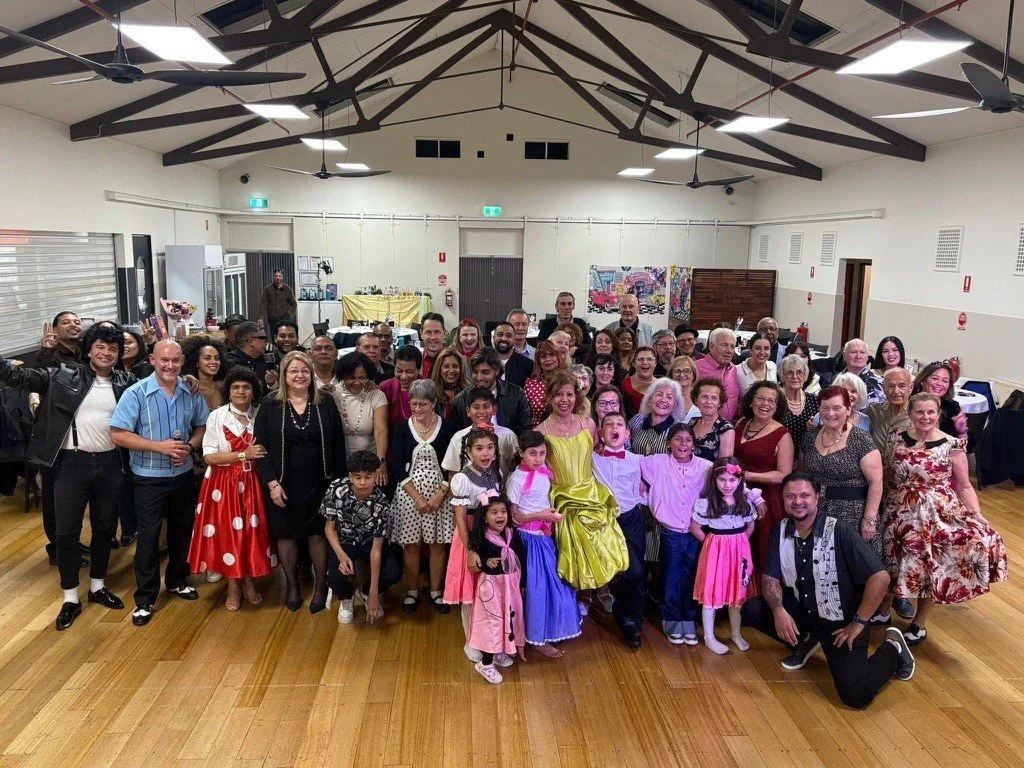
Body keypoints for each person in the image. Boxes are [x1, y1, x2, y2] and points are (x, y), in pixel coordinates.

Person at [742, 473, 916, 708]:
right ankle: (806, 639)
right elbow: (770, 577)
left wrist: (859, 622)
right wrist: (779, 610)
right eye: (790, 496)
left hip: (840, 622)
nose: (797, 501)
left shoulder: (839, 530)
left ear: (817, 498)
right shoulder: (780, 530)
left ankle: (894, 648)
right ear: (783, 500)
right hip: (805, 610)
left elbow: (880, 577)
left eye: (805, 495)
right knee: (753, 609)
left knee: (856, 696)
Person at [1, 324, 133, 630]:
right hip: (70, 464)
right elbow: (17, 376)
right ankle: (70, 597)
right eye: (100, 346)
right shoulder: (61, 375)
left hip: (111, 464)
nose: (106, 353)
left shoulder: (127, 382)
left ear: (118, 355)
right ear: (89, 350)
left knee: (104, 529)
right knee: (66, 533)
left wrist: (189, 379)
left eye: (112, 349)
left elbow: (154, 391)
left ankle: (98, 586)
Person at [885, 392, 1007, 646]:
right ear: (910, 415)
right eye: (919, 412)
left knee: (931, 567)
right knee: (893, 562)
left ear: (938, 414)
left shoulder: (952, 445)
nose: (925, 417)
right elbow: (888, 472)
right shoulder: (896, 436)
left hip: (935, 515)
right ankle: (883, 612)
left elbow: (963, 486)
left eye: (931, 412)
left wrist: (977, 515)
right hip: (898, 510)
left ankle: (919, 624)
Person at [110, 339, 210, 627]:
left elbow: (202, 425)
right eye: (164, 360)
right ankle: (145, 598)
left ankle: (178, 580)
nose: (170, 366)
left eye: (175, 361)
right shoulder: (136, 394)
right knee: (149, 539)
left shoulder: (190, 391)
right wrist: (159, 447)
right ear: (152, 360)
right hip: (148, 479)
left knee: (182, 533)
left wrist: (190, 447)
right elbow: (117, 434)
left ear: (182, 363)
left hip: (182, 476)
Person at [253, 351, 346, 614]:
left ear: (311, 374)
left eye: (304, 371)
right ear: (284, 375)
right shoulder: (271, 404)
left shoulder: (325, 402)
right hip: (282, 483)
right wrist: (271, 484)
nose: (299, 375)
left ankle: (320, 587)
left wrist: (338, 486)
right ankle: (292, 586)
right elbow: (261, 448)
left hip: (321, 481)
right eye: (293, 371)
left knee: (318, 534)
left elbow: (338, 445)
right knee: (286, 534)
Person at [188, 366, 274, 611]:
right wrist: (243, 454)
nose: (241, 391)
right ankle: (234, 586)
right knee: (229, 535)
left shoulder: (261, 413)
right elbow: (209, 457)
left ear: (253, 390)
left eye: (246, 387)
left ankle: (247, 581)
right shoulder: (217, 416)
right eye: (235, 387)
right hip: (223, 484)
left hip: (254, 482)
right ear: (228, 390)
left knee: (250, 534)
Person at [537, 372, 628, 590]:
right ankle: (577, 596)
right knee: (572, 552)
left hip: (591, 494)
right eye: (558, 394)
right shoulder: (540, 432)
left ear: (576, 397)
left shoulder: (588, 425)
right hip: (563, 498)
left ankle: (601, 590)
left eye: (569, 394)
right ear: (549, 397)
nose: (564, 399)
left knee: (602, 546)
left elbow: (597, 456)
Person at [507, 430, 581, 656]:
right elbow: (515, 518)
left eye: (542, 453)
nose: (538, 458)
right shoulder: (516, 480)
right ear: (521, 453)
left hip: (545, 538)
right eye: (532, 454)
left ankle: (552, 629)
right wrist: (542, 515)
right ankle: (537, 638)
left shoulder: (544, 473)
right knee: (537, 590)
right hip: (529, 541)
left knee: (556, 586)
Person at [801, 387, 885, 579]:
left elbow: (876, 482)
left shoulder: (860, 439)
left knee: (851, 571)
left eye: (837, 408)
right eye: (825, 408)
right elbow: (802, 471)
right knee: (821, 570)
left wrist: (869, 520)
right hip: (818, 512)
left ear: (848, 409)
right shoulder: (811, 436)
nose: (830, 413)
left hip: (853, 515)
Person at [640, 423, 710, 646]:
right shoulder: (658, 462)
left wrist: (756, 498)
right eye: (678, 439)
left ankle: (689, 619)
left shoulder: (705, 467)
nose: (683, 444)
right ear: (669, 443)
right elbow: (629, 463)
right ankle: (670, 619)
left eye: (688, 440)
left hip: (695, 531)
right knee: (670, 576)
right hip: (670, 531)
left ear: (694, 444)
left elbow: (730, 479)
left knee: (691, 575)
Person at [391, 379, 456, 615]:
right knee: (411, 546)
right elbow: (398, 467)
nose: (417, 409)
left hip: (441, 494)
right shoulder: (401, 427)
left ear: (434, 403)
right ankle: (412, 591)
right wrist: (417, 498)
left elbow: (454, 463)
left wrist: (441, 493)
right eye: (413, 404)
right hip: (410, 495)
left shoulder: (448, 428)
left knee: (437, 545)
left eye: (422, 404)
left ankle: (436, 592)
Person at [691, 458, 765, 654]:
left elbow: (750, 526)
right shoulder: (707, 503)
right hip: (716, 552)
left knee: (736, 592)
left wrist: (738, 543)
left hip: (739, 552)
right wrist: (711, 543)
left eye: (732, 480)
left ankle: (736, 633)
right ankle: (709, 636)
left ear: (739, 481)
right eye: (722, 480)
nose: (727, 485)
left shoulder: (745, 502)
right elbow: (695, 527)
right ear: (715, 480)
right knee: (711, 590)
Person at [321, 451, 403, 624]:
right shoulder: (336, 489)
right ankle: (346, 598)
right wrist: (341, 556)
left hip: (369, 543)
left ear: (376, 475)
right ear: (350, 477)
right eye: (357, 477)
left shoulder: (382, 504)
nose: (363, 482)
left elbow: (376, 550)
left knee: (394, 573)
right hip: (343, 542)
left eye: (368, 477)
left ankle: (364, 592)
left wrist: (373, 594)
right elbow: (329, 529)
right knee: (334, 577)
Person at [444, 427, 502, 661]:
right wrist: (470, 549)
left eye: (489, 447)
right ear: (469, 451)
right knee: (470, 591)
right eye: (479, 448)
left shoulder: (495, 472)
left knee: (488, 591)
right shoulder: (462, 478)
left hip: (490, 535)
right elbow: (459, 517)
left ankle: (491, 640)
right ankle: (471, 640)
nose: (485, 453)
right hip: (470, 535)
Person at [591, 412, 648, 649]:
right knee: (623, 570)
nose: (614, 428)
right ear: (602, 433)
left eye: (619, 425)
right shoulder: (592, 459)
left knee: (637, 572)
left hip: (632, 518)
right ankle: (626, 617)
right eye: (609, 425)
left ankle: (631, 618)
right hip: (606, 521)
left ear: (627, 434)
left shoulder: (638, 460)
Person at [466, 496, 525, 683]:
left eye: (503, 511)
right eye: (494, 512)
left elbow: (520, 556)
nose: (500, 515)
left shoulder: (510, 533)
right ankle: (486, 662)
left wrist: (522, 585)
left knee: (506, 618)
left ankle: (499, 650)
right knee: (492, 622)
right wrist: (486, 562)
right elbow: (478, 562)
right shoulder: (482, 537)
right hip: (492, 587)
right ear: (484, 517)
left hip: (509, 585)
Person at [734, 382, 794, 568]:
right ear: (751, 401)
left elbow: (784, 475)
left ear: (777, 407)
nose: (765, 403)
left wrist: (747, 476)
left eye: (771, 400)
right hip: (736, 496)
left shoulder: (782, 434)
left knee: (762, 554)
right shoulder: (740, 423)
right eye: (760, 398)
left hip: (767, 502)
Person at [442, 388, 520, 480]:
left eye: (486, 407)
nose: (481, 411)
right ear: (468, 411)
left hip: (500, 492)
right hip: (468, 493)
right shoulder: (459, 437)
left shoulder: (508, 436)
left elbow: (517, 468)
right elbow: (453, 472)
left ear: (494, 409)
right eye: (476, 407)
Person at [333, 353, 389, 481]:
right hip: (339, 461)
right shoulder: (332, 393)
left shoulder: (376, 395)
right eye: (351, 378)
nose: (357, 382)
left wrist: (380, 461)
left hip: (368, 461)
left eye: (362, 378)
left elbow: (381, 431)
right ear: (342, 376)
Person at [451, 348, 532, 436]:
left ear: (496, 371)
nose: (479, 377)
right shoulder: (460, 400)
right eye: (475, 372)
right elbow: (458, 437)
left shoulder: (516, 394)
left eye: (485, 372)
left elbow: (524, 432)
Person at [628, 378, 685, 457]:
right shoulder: (636, 420)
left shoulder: (679, 430)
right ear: (649, 398)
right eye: (659, 394)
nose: (663, 400)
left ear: (675, 405)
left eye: (669, 397)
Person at [912, 360, 967, 439]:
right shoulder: (909, 403)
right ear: (922, 380)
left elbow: (964, 446)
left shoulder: (952, 407)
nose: (939, 384)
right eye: (935, 378)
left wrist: (961, 432)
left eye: (945, 381)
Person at [695, 328, 741, 422]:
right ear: (711, 346)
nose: (729, 350)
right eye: (724, 345)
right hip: (703, 429)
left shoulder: (734, 369)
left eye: (732, 346)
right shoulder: (695, 368)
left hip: (731, 428)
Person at [778, 354, 820, 457]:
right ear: (782, 377)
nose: (795, 377)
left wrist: (817, 428)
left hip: (808, 456)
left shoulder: (815, 401)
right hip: (780, 456)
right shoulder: (776, 401)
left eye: (799, 372)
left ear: (805, 376)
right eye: (789, 373)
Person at [379, 345, 423, 435]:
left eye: (409, 372)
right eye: (399, 371)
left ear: (418, 369)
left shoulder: (428, 387)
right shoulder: (385, 388)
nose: (403, 377)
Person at [689, 378, 735, 462]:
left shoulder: (726, 429)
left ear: (720, 403)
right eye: (704, 397)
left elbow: (722, 466)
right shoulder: (692, 422)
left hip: (711, 474)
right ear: (696, 400)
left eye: (714, 398)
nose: (708, 402)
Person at [524, 340, 566, 428]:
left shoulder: (567, 380)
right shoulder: (531, 383)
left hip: (565, 430)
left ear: (558, 357)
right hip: (538, 432)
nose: (548, 359)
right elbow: (526, 414)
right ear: (538, 361)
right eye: (543, 356)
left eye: (552, 355)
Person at [181, 334, 227, 411]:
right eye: (207, 358)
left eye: (217, 358)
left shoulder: (222, 387)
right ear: (196, 362)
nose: (214, 362)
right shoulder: (188, 386)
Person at [226, 321, 277, 390]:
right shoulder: (229, 362)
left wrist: (271, 384)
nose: (266, 343)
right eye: (264, 339)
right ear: (251, 341)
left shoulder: (267, 361)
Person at [841, 339, 884, 405]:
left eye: (862, 352)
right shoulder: (837, 380)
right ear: (844, 356)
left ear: (867, 357)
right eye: (853, 352)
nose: (858, 356)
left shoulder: (879, 382)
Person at [492, 321, 532, 387]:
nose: (504, 338)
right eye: (500, 334)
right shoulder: (484, 361)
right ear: (493, 338)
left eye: (508, 336)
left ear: (514, 339)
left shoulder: (528, 365)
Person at [430, 348, 466, 419]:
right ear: (439, 369)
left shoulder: (467, 393)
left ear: (461, 369)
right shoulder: (431, 393)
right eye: (446, 366)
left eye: (455, 366)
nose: (451, 370)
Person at [622, 346, 658, 414]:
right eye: (640, 359)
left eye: (650, 359)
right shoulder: (625, 385)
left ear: (655, 363)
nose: (645, 362)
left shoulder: (662, 384)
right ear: (634, 363)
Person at [667, 356, 701, 421]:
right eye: (677, 371)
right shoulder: (665, 396)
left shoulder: (701, 396)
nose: (682, 375)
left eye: (687, 371)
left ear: (693, 375)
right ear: (671, 376)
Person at [419, 312, 446, 378]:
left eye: (437, 332)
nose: (433, 337)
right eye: (428, 332)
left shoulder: (458, 360)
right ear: (421, 334)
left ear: (444, 333)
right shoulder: (414, 359)